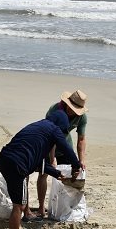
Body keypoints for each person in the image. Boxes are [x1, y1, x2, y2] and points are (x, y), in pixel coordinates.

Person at [0, 110, 81, 229]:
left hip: (4, 159)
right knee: (19, 205)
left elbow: (39, 163)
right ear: (61, 125)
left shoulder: (38, 127)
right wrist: (76, 165)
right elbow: (66, 149)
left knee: (18, 200)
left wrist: (57, 174)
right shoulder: (55, 129)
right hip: (18, 165)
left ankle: (23, 221)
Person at [34, 90, 88, 218]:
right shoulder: (55, 110)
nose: (75, 112)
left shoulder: (81, 117)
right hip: (48, 143)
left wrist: (81, 160)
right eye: (73, 109)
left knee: (70, 175)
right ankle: (41, 208)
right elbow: (49, 134)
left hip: (65, 145)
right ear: (68, 105)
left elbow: (81, 139)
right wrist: (52, 159)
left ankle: (65, 208)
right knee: (44, 173)